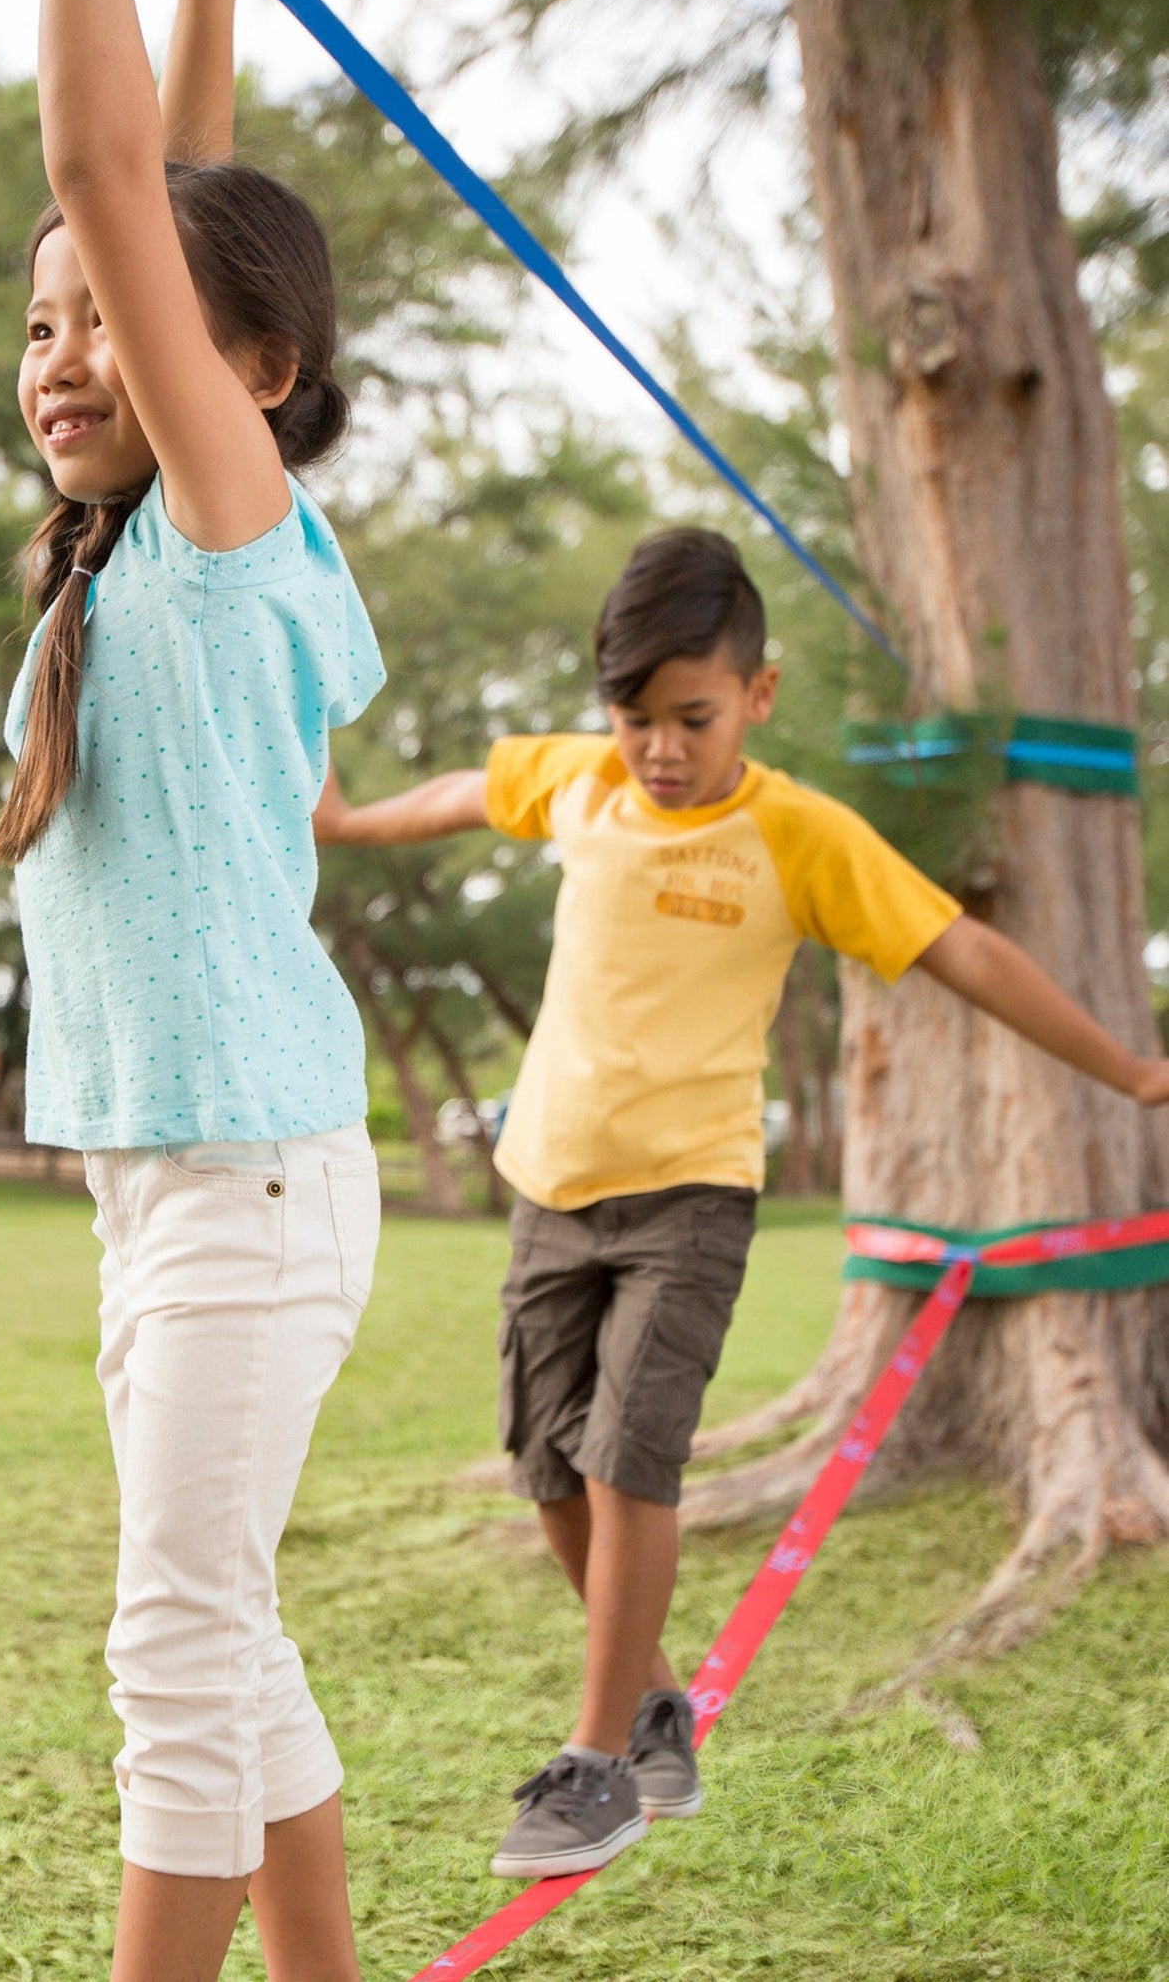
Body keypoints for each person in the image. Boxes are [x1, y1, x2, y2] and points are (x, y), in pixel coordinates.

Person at [314, 526, 1169, 1881]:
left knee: (626, 1455)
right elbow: (472, 788)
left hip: (689, 1197)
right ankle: (655, 1700)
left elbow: (964, 947)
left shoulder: (793, 832)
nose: (659, 747)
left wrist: (1128, 1067)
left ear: (755, 698)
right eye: (634, 716)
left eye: (692, 718)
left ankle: (596, 1764)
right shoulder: (584, 781)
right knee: (545, 1469)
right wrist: (351, 820)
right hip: (547, 1186)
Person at [0, 0, 385, 1978]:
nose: (63, 353)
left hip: (244, 1179)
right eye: (39, 320)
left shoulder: (233, 538)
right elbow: (164, 185)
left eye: (108, 317)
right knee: (224, 1635)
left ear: (249, 372)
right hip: (172, 1186)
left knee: (171, 1652)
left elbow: (114, 166)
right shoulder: (134, 548)